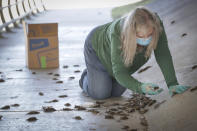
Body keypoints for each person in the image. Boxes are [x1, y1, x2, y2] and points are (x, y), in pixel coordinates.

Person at [79, 7, 191, 100]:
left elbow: (163, 54)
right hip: (97, 50)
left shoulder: (156, 24)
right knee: (101, 94)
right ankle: (86, 77)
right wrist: (140, 87)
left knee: (116, 93)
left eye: (150, 34)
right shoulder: (117, 33)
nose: (146, 39)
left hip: (116, 59)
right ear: (131, 32)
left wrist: (172, 83)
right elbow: (120, 73)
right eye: (141, 36)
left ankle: (104, 76)